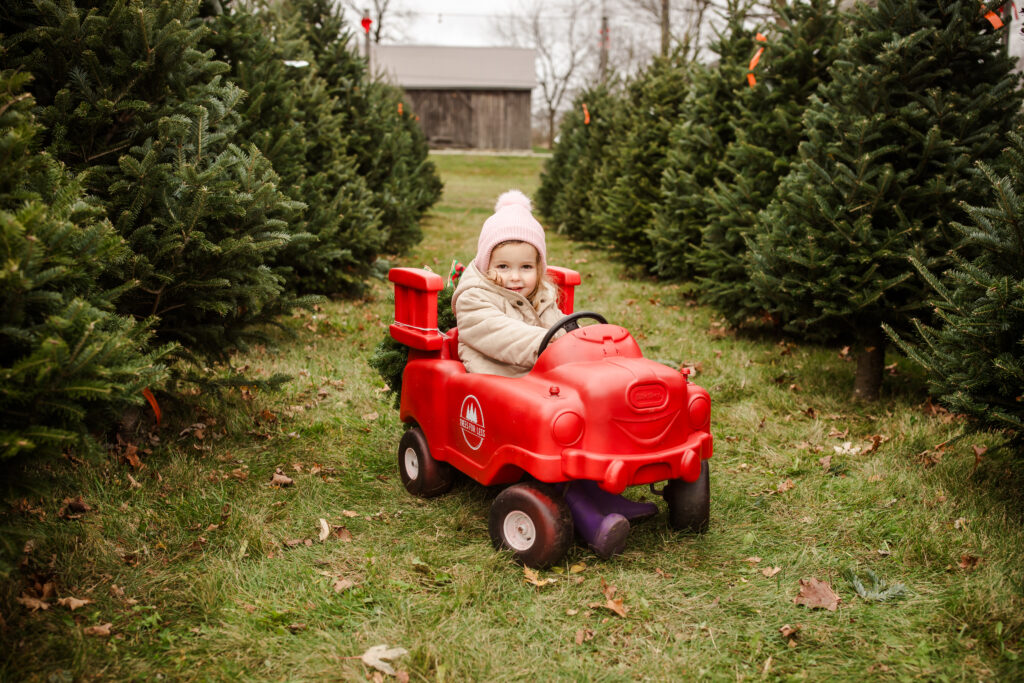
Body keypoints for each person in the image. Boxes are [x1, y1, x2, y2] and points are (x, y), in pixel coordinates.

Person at [452, 190, 656, 559]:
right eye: (503, 266)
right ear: (485, 264)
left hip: (540, 380)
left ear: (539, 268)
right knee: (552, 444)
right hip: (500, 383)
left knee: (583, 419)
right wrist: (557, 345)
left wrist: (581, 346)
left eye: (526, 268)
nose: (515, 278)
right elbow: (505, 338)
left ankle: (607, 495)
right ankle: (593, 522)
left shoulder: (542, 296)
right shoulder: (473, 299)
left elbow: (561, 330)